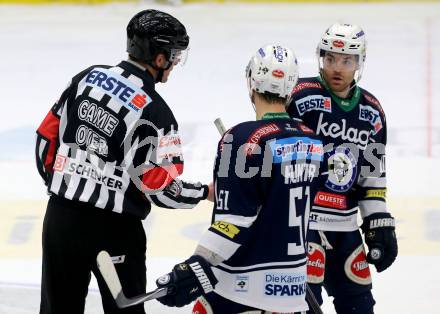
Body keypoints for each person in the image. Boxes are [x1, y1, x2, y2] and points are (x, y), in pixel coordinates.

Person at [35, 10, 210, 314]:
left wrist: (67, 188)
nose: (175, 62)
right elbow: (162, 191)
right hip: (115, 232)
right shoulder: (156, 114)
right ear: (158, 58)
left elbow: (45, 141)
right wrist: (205, 192)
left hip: (60, 220)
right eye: (174, 54)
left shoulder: (85, 78)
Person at [154, 44, 326, 314]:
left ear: (251, 82)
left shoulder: (242, 139)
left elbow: (233, 222)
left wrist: (196, 265)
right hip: (292, 291)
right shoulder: (313, 140)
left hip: (239, 290)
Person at [287, 23, 398, 314]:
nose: (337, 67)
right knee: (301, 306)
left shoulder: (372, 111)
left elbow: (372, 175)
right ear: (320, 57)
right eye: (330, 58)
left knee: (359, 305)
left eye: (347, 60)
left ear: (360, 62)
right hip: (302, 224)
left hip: (346, 227)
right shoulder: (298, 97)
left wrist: (378, 220)